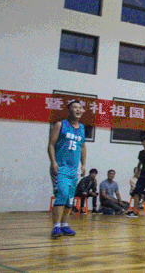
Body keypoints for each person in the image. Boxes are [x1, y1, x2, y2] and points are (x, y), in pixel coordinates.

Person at [48, 100, 87, 238]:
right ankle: (56, 226)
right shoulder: (60, 125)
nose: (78, 109)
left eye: (80, 108)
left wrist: (83, 164)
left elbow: (83, 147)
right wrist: (53, 162)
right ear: (69, 110)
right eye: (75, 107)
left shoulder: (82, 128)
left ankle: (64, 225)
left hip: (73, 169)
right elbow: (51, 144)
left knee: (70, 198)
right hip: (61, 167)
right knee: (62, 194)